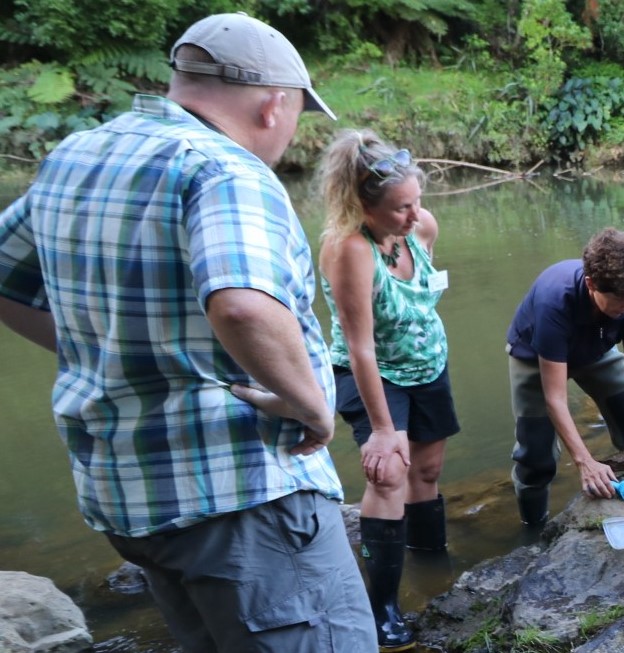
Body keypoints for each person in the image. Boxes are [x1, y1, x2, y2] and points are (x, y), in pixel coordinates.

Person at [0, 13, 372, 650]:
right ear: (273, 105)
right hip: (241, 494)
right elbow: (243, 306)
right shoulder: (225, 171)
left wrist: (100, 349)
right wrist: (314, 403)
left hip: (131, 497)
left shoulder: (79, 155)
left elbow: (7, 280)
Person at [317, 130, 456, 650]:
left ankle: (433, 567)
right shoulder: (349, 250)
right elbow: (360, 348)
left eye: (417, 201)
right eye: (401, 208)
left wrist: (415, 219)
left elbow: (423, 295)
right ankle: (381, 608)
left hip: (427, 365)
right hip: (373, 374)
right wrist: (381, 429)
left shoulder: (421, 228)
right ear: (362, 205)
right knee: (390, 474)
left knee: (427, 470)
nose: (415, 215)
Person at [505, 228, 624, 526]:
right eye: (621, 300)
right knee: (536, 456)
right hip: (535, 358)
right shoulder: (554, 300)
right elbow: (555, 398)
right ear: (591, 284)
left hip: (595, 351)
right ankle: (533, 528)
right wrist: (585, 461)